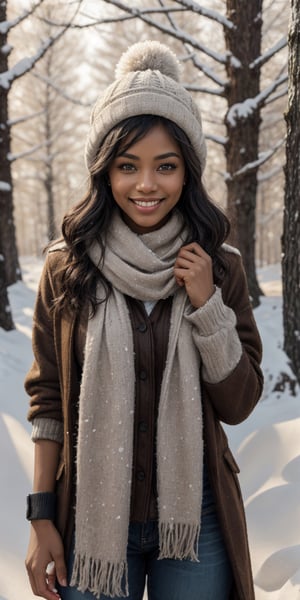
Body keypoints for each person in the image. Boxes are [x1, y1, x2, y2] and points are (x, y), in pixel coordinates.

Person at [25, 40, 263, 600]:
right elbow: (49, 401)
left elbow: (241, 401)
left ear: (189, 171)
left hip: (194, 520)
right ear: (104, 171)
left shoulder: (219, 266)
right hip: (91, 517)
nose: (146, 185)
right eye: (127, 166)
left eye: (166, 166)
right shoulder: (68, 266)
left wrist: (208, 307)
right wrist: (40, 519)